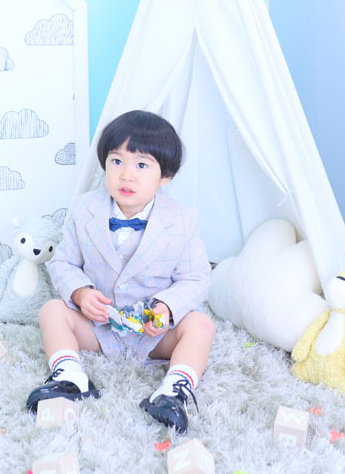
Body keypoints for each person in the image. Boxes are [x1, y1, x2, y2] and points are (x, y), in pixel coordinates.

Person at [25, 109, 215, 433]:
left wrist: (166, 308)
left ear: (165, 176)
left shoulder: (182, 219)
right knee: (52, 311)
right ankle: (70, 376)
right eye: (117, 161)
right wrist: (81, 293)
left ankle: (173, 391)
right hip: (100, 327)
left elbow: (196, 278)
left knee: (201, 325)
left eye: (141, 165)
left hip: (154, 335)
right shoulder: (85, 208)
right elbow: (63, 262)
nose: (126, 175)